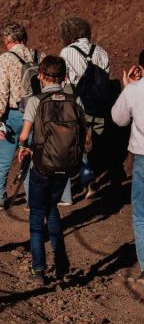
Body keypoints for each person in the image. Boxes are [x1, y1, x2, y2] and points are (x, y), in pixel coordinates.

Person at [16, 56, 80, 283]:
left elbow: (24, 135)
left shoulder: (36, 100)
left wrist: (23, 147)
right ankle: (61, 265)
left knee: (36, 216)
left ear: (41, 76)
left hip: (42, 167)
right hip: (66, 167)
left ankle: (38, 269)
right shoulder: (75, 100)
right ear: (64, 77)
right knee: (52, 208)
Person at [58, 16, 112, 203]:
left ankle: (86, 180)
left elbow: (64, 81)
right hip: (99, 106)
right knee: (96, 142)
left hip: (77, 106)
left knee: (75, 145)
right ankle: (98, 180)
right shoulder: (101, 52)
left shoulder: (66, 52)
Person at [0, 23, 40, 210]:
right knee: (31, 158)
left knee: (4, 159)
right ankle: (33, 200)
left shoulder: (6, 58)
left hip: (13, 114)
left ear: (8, 41)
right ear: (24, 39)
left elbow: (1, 91)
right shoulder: (38, 56)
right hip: (35, 114)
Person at [110, 51, 144, 281]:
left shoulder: (134, 90)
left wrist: (127, 87)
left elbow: (118, 118)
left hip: (142, 156)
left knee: (141, 215)